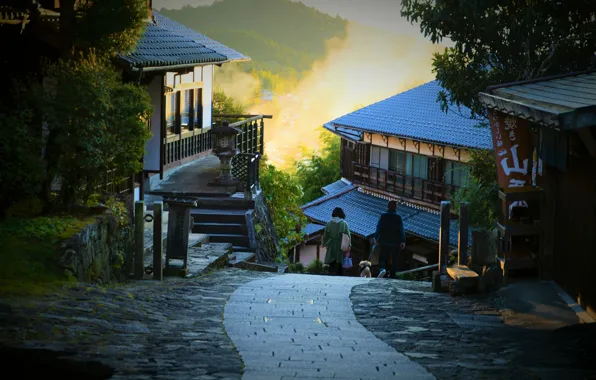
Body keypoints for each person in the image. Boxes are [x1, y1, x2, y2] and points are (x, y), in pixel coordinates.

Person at [374, 200, 406, 279]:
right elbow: (401, 230)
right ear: (395, 207)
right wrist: (403, 241)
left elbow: (379, 227)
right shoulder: (398, 217)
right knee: (394, 259)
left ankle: (383, 269)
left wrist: (376, 237)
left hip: (384, 240)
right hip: (395, 242)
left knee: (383, 257)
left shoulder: (383, 216)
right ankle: (392, 275)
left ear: (388, 206)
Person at [323, 207, 351, 276]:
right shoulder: (344, 224)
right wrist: (349, 246)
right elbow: (348, 236)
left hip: (331, 245)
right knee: (340, 263)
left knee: (331, 263)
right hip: (341, 245)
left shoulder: (328, 224)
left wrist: (325, 244)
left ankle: (330, 275)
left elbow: (325, 236)